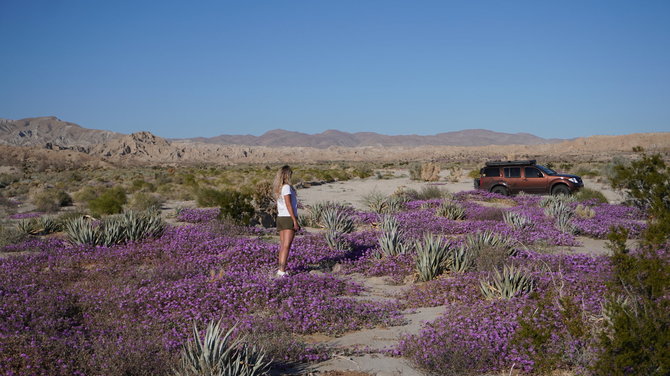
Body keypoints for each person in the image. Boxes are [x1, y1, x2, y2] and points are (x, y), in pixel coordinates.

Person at [273, 165, 300, 277]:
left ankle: (280, 269)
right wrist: (295, 220)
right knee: (286, 245)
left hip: (280, 217)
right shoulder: (287, 188)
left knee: (283, 245)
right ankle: (282, 271)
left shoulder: (279, 188)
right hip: (288, 217)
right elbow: (288, 204)